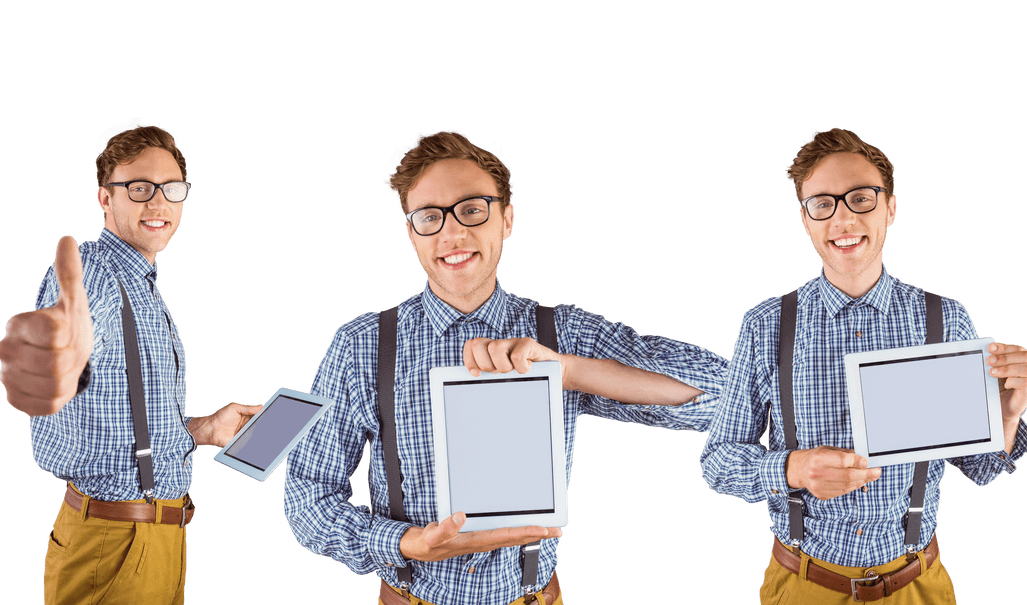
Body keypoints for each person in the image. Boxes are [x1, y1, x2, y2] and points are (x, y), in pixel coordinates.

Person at [284, 130, 727, 605]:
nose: (452, 233)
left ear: (507, 219)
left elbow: (726, 396)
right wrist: (404, 544)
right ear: (411, 233)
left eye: (473, 209)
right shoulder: (361, 345)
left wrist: (566, 369)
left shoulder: (563, 333)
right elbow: (309, 496)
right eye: (430, 217)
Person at [700, 127, 1027, 603]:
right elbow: (717, 461)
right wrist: (792, 470)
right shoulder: (765, 326)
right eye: (823, 203)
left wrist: (1008, 413)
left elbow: (981, 468)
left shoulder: (945, 319)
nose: (843, 218)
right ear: (805, 219)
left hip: (916, 584)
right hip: (804, 584)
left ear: (890, 208)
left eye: (860, 198)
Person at [0, 121, 262, 605]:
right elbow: (64, 326)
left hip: (163, 538)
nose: (158, 202)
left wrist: (201, 429)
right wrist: (51, 352)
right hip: (112, 543)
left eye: (171, 189)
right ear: (105, 199)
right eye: (139, 189)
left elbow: (124, 415)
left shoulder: (143, 284)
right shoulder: (92, 272)